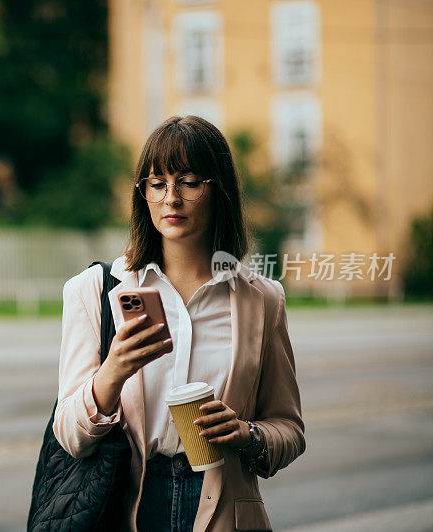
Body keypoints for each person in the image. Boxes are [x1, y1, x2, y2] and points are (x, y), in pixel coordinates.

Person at [52, 115, 305, 531]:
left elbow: (290, 430)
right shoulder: (96, 290)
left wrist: (247, 434)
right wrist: (113, 371)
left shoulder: (262, 300)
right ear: (143, 195)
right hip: (130, 505)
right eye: (157, 183)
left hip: (224, 508)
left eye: (188, 181)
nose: (171, 198)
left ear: (218, 190)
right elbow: (70, 436)